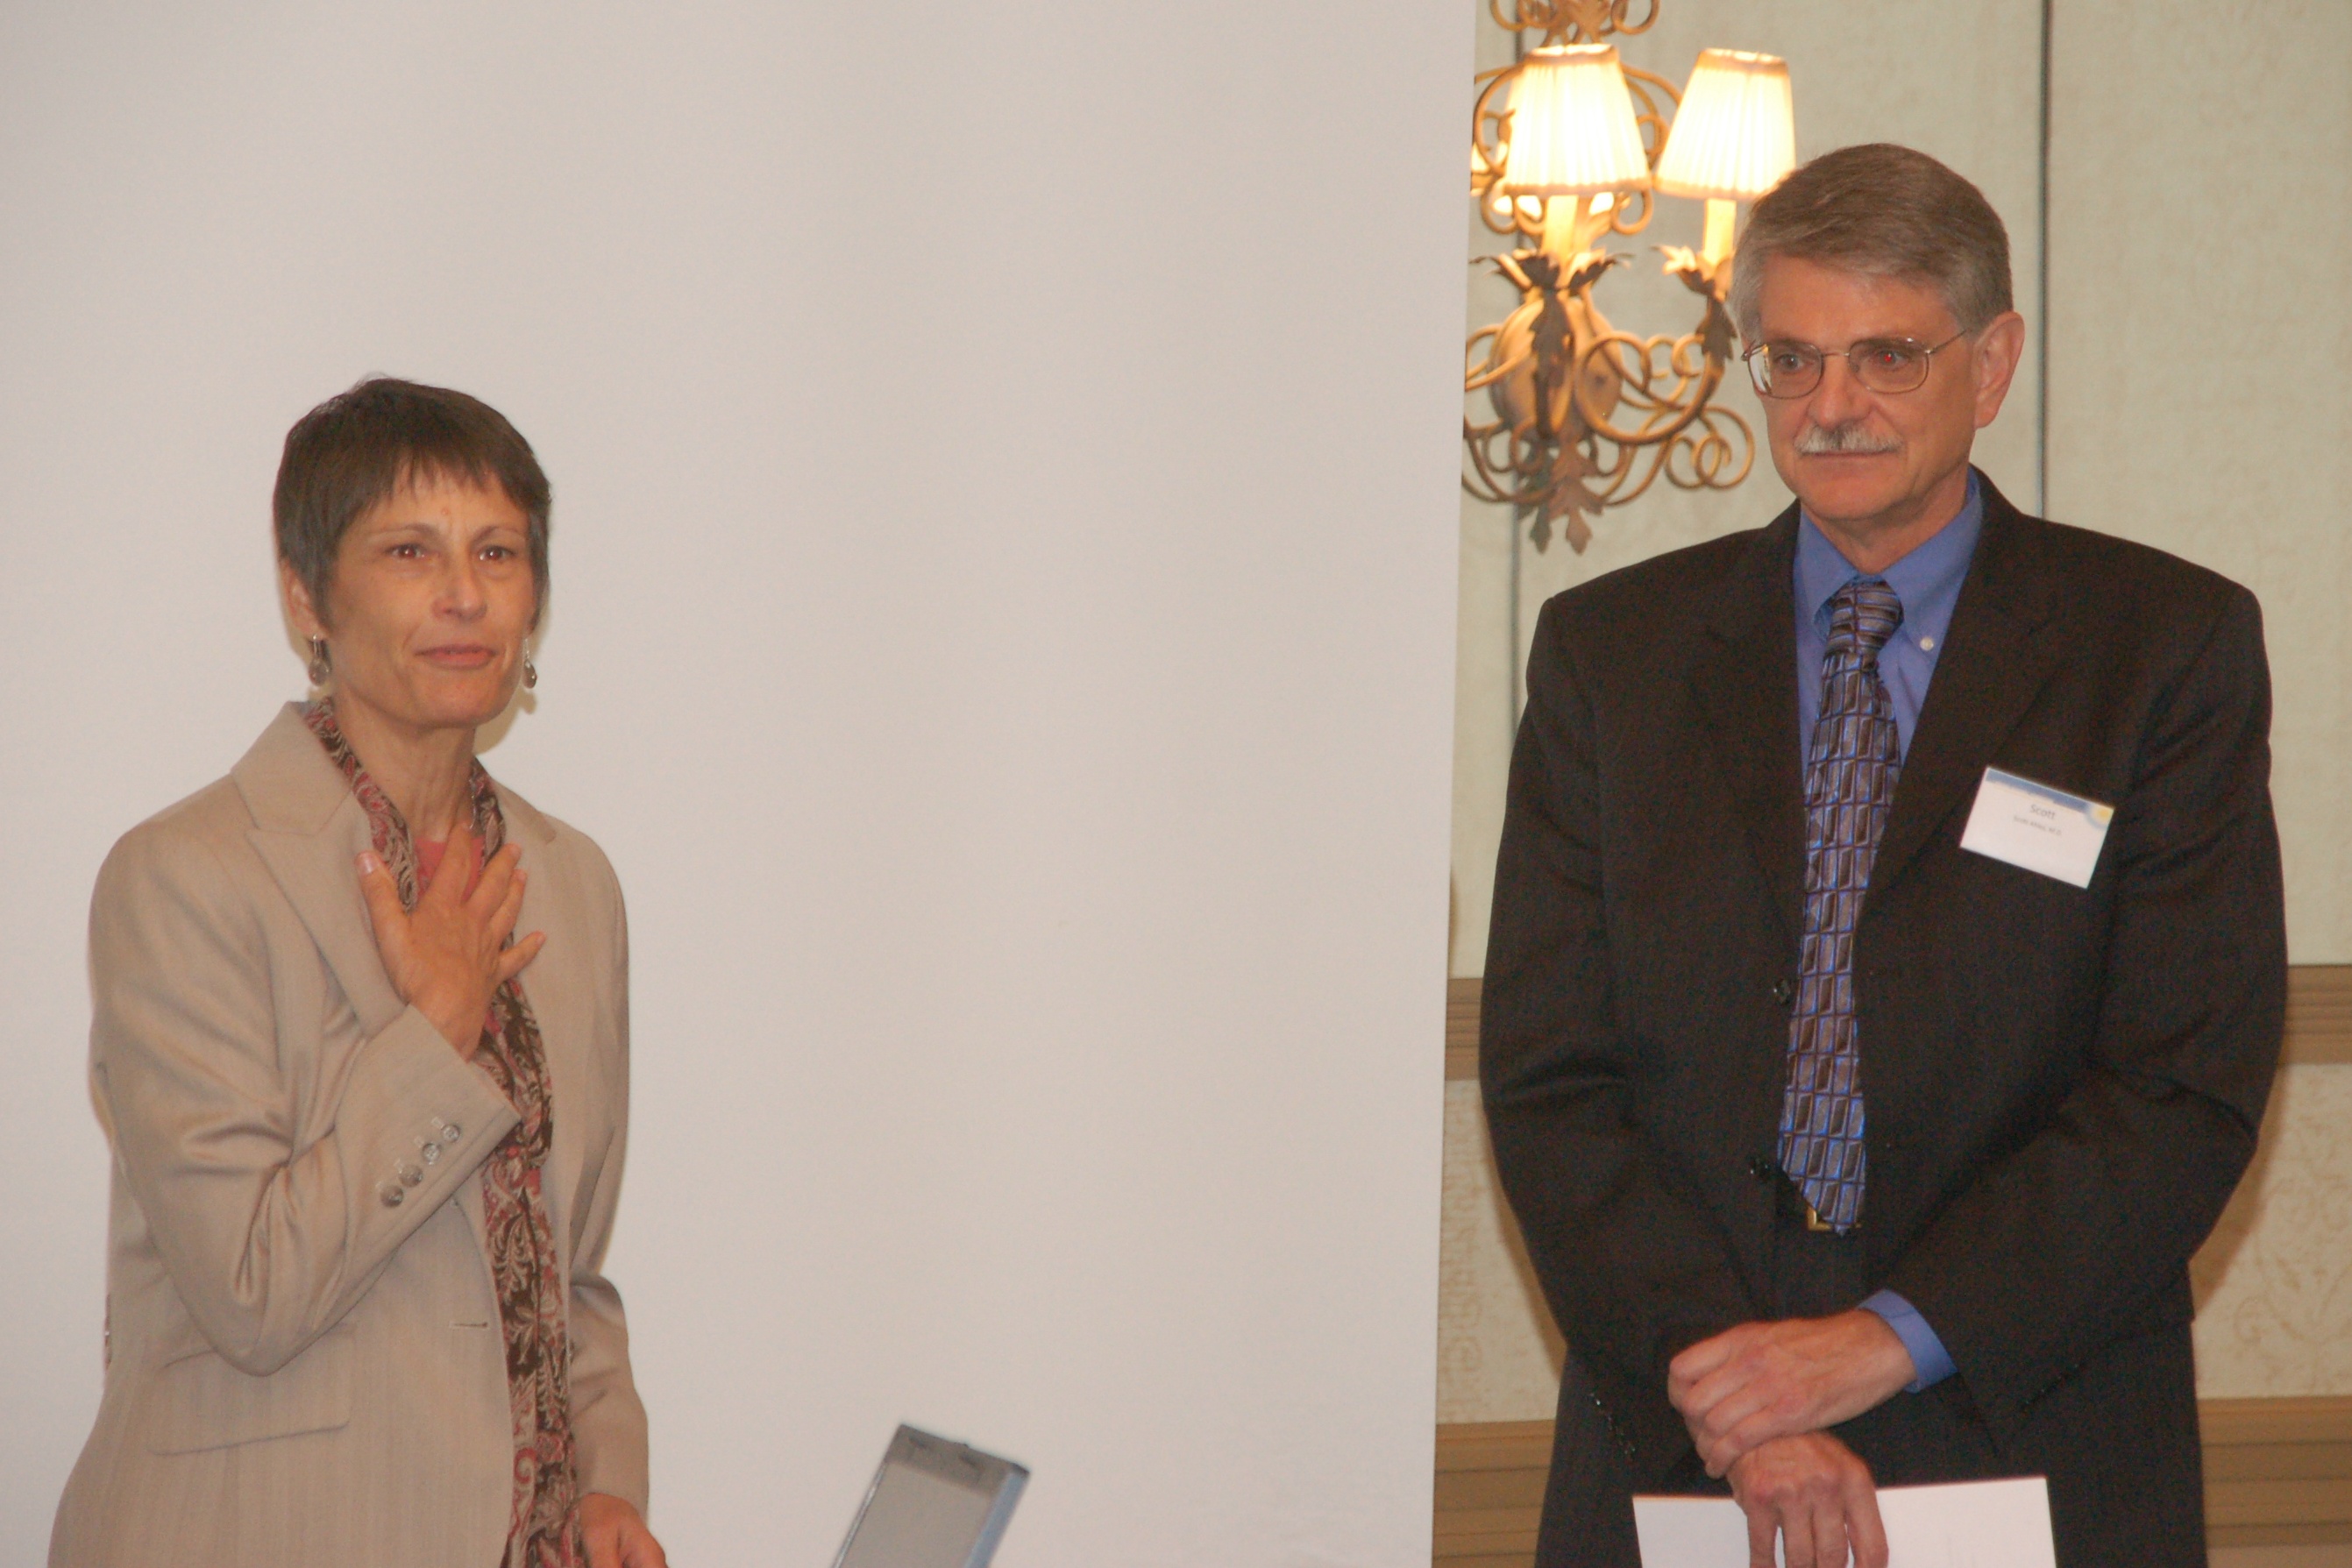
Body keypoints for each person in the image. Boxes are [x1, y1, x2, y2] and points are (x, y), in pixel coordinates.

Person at [1481, 144, 2285, 1568]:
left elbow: (2180, 1080)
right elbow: (1552, 1077)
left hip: (2032, 1417)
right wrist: (1744, 1394)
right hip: (1684, 1430)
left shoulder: (2159, 649)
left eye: (1887, 357)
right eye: (1791, 360)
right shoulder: (1613, 656)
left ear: (1994, 363)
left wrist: (1879, 1342)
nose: (1831, 405)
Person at [50, 379, 667, 1568]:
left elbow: (566, 1276)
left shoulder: (571, 881)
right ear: (307, 596)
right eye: (408, 551)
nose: (464, 593)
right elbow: (252, 1291)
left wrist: (603, 1485)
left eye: (498, 551)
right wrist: (436, 1036)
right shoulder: (185, 875)